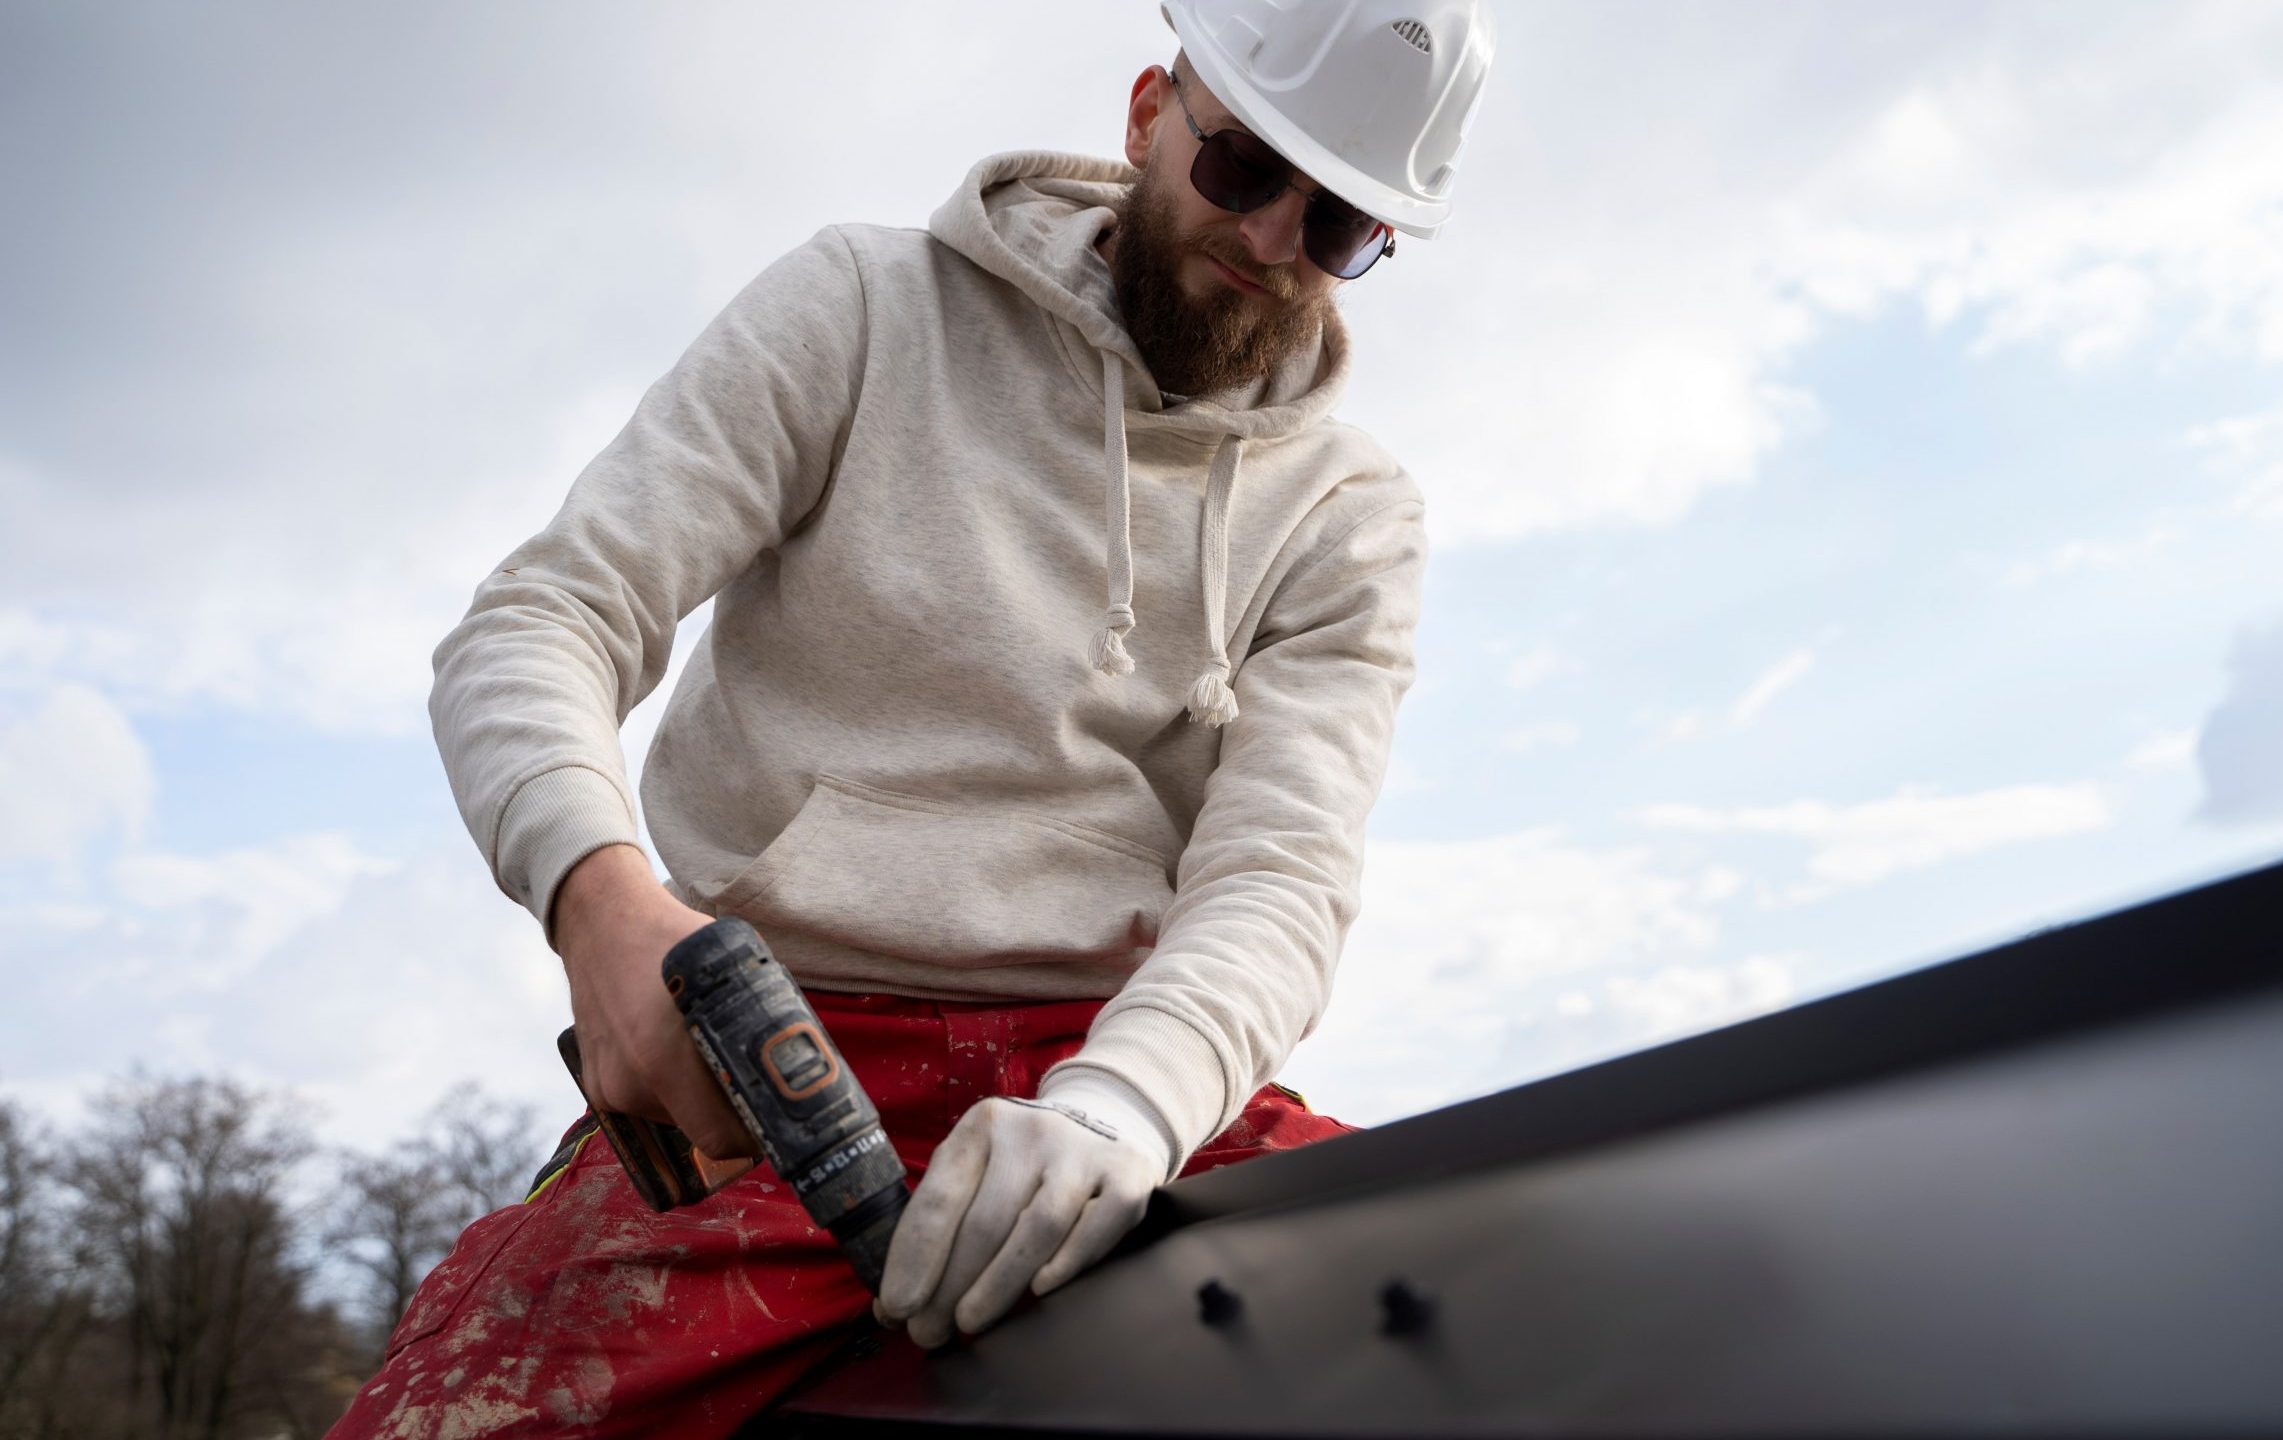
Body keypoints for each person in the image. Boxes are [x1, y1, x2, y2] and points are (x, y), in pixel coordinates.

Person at [333, 1, 1496, 1433]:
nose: (1273, 245)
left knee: (1462, 1340)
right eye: (1247, 170)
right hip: (769, 1078)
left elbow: (1281, 877)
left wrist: (1118, 1116)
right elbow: (546, 618)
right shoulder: (859, 310)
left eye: (1340, 229)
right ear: (1146, 117)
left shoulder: (1351, 515)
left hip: (1113, 1076)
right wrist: (603, 903)